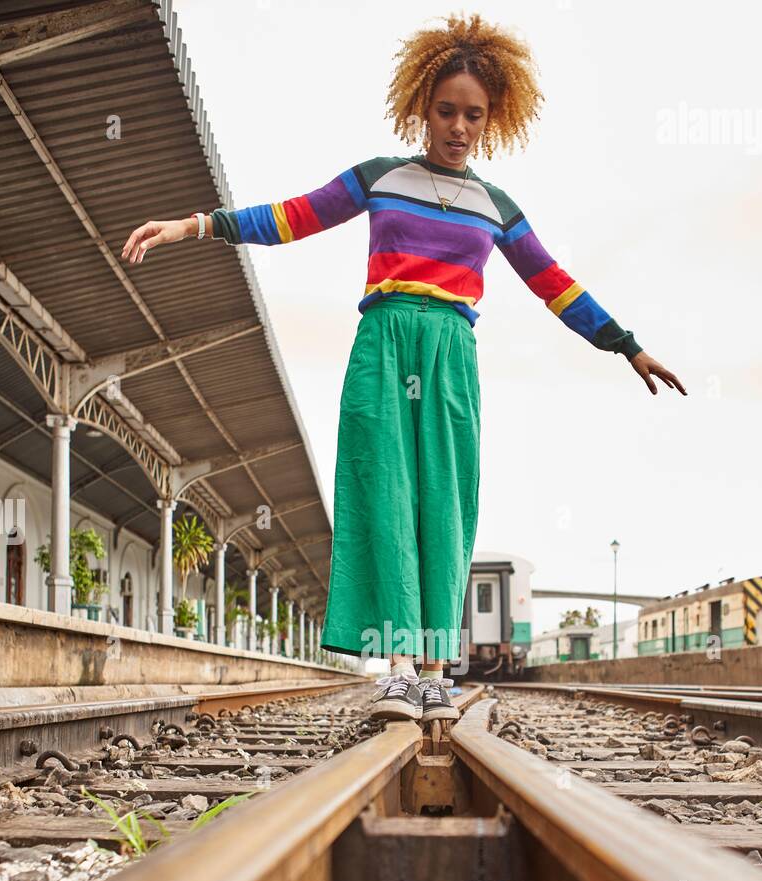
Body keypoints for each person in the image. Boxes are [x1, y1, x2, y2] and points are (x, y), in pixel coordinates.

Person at [121, 13, 685, 726]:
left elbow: (555, 284)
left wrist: (626, 345)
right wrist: (196, 224)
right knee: (383, 494)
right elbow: (293, 217)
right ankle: (397, 669)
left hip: (451, 354)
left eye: (473, 115)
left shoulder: (497, 207)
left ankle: (437, 671)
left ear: (492, 118)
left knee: (444, 501)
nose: (459, 127)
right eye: (446, 111)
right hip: (383, 343)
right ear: (423, 106)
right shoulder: (380, 178)